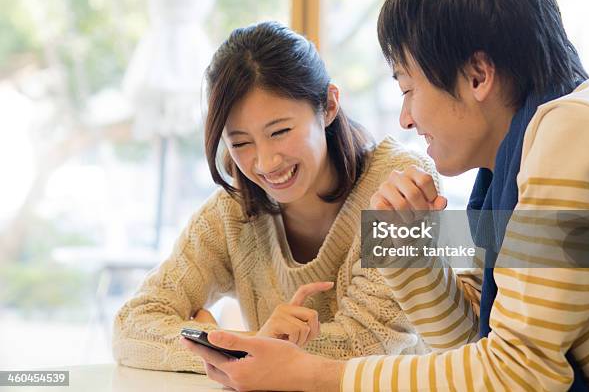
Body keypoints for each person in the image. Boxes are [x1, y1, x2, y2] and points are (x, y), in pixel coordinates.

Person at [182, 0, 589, 391]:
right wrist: (408, 250)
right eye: (241, 143)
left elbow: (520, 373)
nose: (406, 118)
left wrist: (308, 373)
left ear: (478, 75)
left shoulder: (570, 131)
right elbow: (472, 351)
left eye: (408, 88)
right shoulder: (507, 168)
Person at [113, 21, 438, 373]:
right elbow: (132, 323)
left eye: (280, 131)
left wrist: (243, 347)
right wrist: (242, 346)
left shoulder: (402, 184)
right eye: (240, 143)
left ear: (328, 106)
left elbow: (368, 343)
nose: (266, 162)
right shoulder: (232, 213)